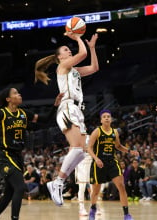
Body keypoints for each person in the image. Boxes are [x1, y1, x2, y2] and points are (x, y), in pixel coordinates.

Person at [0, 87, 63, 220]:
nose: (19, 94)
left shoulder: (24, 114)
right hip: (4, 154)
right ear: (8, 99)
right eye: (15, 93)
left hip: (17, 155)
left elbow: (45, 119)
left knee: (9, 193)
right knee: (20, 187)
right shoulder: (1, 114)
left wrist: (55, 104)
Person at [34, 32, 99, 206]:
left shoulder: (75, 70)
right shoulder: (62, 67)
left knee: (82, 151)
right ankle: (58, 182)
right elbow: (81, 54)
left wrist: (92, 48)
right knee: (77, 148)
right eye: (66, 49)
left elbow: (93, 68)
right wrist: (77, 37)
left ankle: (58, 182)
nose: (69, 51)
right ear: (59, 57)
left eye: (69, 49)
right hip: (68, 107)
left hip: (77, 109)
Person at [87, 109, 139, 220]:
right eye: (104, 116)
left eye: (108, 116)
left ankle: (126, 214)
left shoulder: (114, 132)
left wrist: (130, 151)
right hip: (99, 163)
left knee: (121, 186)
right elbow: (89, 148)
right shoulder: (97, 131)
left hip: (112, 162)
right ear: (101, 120)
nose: (106, 118)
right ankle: (92, 209)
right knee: (96, 191)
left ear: (111, 119)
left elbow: (118, 146)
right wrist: (96, 159)